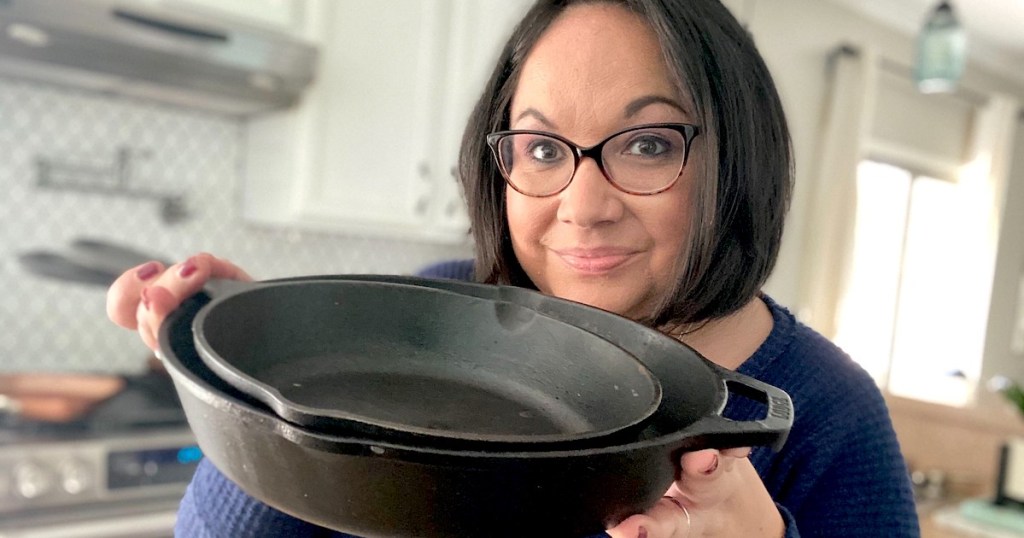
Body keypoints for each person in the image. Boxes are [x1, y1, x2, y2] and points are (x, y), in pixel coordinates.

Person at [106, 0, 920, 536]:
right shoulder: (437, 312)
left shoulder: (833, 419)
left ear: (738, 160)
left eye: (647, 144)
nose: (583, 203)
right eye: (539, 147)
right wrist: (273, 372)